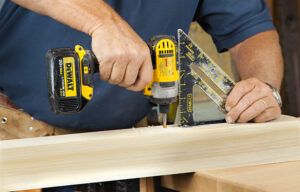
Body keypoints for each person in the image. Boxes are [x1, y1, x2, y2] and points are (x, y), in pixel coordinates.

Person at [0, 0, 283, 191]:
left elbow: (250, 31)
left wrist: (264, 87)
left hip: (131, 151)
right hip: (22, 147)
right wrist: (104, 24)